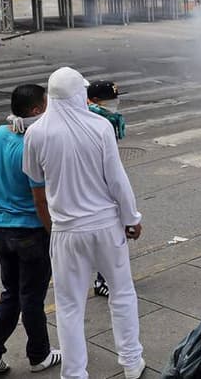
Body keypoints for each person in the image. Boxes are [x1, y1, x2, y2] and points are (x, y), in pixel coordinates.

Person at [23, 67, 145, 379]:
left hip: (66, 231)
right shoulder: (100, 126)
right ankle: (131, 363)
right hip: (106, 226)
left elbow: (38, 191)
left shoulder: (36, 134)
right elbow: (117, 180)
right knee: (122, 293)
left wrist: (56, 232)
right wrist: (131, 219)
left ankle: (74, 372)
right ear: (79, 94)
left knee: (69, 306)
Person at [0, 85, 62, 375]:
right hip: (31, 231)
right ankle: (39, 354)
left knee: (11, 293)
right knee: (31, 298)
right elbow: (40, 198)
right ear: (37, 111)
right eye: (48, 106)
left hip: (0, 229)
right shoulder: (34, 144)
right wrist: (53, 232)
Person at [86, 80, 126, 297]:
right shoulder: (96, 123)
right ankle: (103, 281)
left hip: (105, 184)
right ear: (94, 101)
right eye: (110, 100)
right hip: (98, 188)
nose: (115, 103)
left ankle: (107, 277)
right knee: (107, 237)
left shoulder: (110, 120)